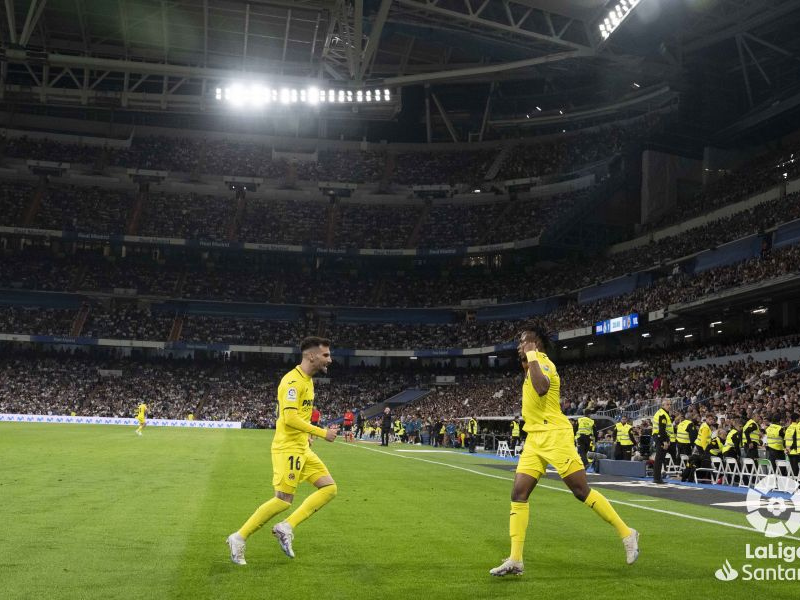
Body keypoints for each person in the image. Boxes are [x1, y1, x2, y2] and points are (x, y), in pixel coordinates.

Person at [490, 323, 638, 577]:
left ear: (536, 344)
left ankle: (627, 533)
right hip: (535, 438)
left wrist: (533, 355)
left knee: (581, 491)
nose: (519, 346)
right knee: (519, 493)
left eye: (523, 341)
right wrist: (528, 359)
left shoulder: (544, 362)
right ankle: (515, 559)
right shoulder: (529, 365)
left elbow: (542, 387)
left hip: (555, 436)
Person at [226, 337, 339, 565]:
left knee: (329, 488)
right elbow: (289, 417)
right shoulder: (292, 382)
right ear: (311, 356)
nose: (330, 359)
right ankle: (239, 537)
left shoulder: (308, 381)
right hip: (287, 448)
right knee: (283, 500)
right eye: (325, 355)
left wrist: (306, 435)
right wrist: (320, 432)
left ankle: (286, 527)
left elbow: (300, 415)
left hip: (301, 447)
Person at [651, 400, 672, 484]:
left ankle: (657, 477)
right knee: (659, 458)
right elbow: (662, 429)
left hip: (659, 436)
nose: (669, 406)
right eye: (667, 404)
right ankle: (657, 478)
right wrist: (664, 441)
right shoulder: (662, 414)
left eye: (670, 404)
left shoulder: (663, 413)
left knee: (659, 458)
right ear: (662, 405)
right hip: (660, 437)